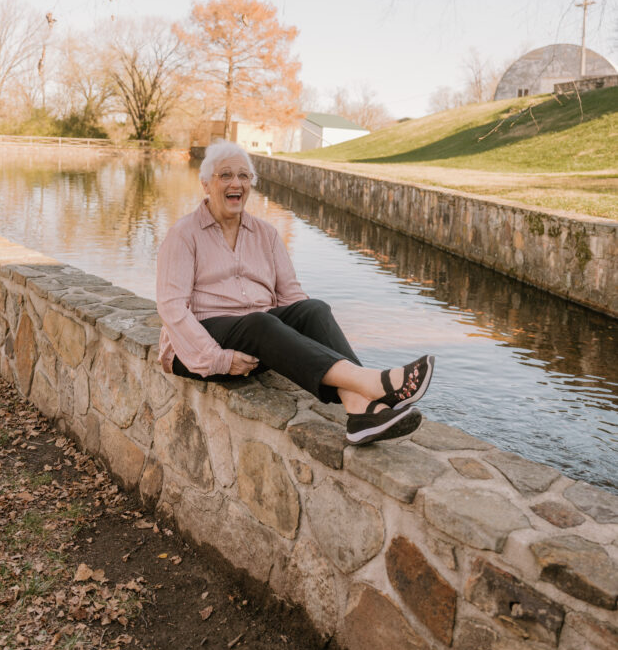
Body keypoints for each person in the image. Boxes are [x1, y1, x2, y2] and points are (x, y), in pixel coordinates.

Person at [156, 140, 435, 445]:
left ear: (251, 183)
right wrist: (219, 360)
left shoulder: (266, 234)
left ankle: (361, 410)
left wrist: (308, 336)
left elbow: (291, 296)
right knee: (260, 322)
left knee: (313, 309)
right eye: (225, 176)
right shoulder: (183, 234)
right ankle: (374, 382)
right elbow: (172, 309)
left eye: (244, 176)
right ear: (206, 184)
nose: (236, 183)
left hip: (261, 342)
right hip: (202, 346)